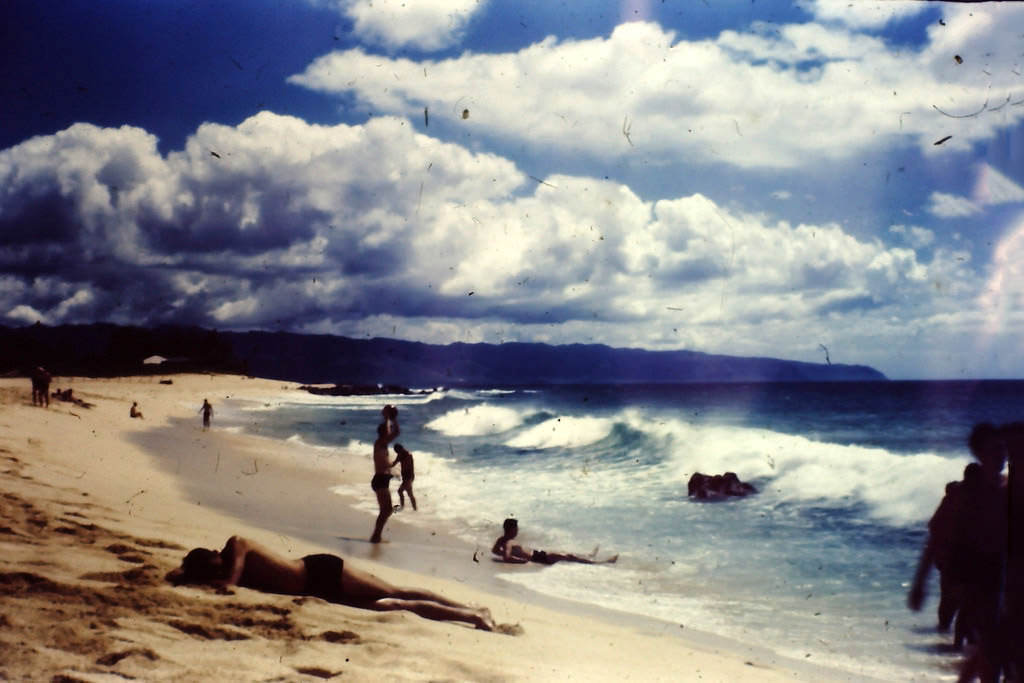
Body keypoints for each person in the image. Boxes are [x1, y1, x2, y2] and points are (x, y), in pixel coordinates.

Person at [167, 535, 497, 631]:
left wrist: (200, 579)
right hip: (315, 590)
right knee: (393, 606)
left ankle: (472, 611)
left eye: (208, 567)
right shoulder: (224, 567)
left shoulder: (235, 546)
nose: (214, 571)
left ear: (211, 554)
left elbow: (231, 582)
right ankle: (471, 617)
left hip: (321, 570)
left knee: (395, 591)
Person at [491, 518, 617, 565]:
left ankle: (590, 556)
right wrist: (522, 560)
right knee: (568, 556)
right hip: (538, 557)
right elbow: (507, 558)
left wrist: (505, 554)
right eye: (516, 528)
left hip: (539, 555)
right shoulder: (509, 542)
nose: (517, 530)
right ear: (512, 529)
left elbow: (494, 551)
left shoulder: (501, 540)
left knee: (567, 555)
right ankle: (602, 562)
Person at [369, 405, 400, 543]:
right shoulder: (380, 442)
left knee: (386, 510)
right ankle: (376, 536)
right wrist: (390, 418)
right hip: (380, 480)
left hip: (381, 480)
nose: (390, 433)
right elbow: (396, 432)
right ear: (384, 434)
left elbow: (393, 432)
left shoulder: (381, 444)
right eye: (388, 431)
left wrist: (388, 419)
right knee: (386, 510)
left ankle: (376, 535)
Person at [391, 443, 417, 512]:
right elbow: (394, 464)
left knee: (403, 492)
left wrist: (408, 479)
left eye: (396, 451)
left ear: (400, 449)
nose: (396, 452)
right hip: (406, 477)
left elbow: (409, 467)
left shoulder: (408, 455)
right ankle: (414, 509)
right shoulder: (400, 454)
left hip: (409, 477)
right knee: (408, 493)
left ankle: (404, 508)